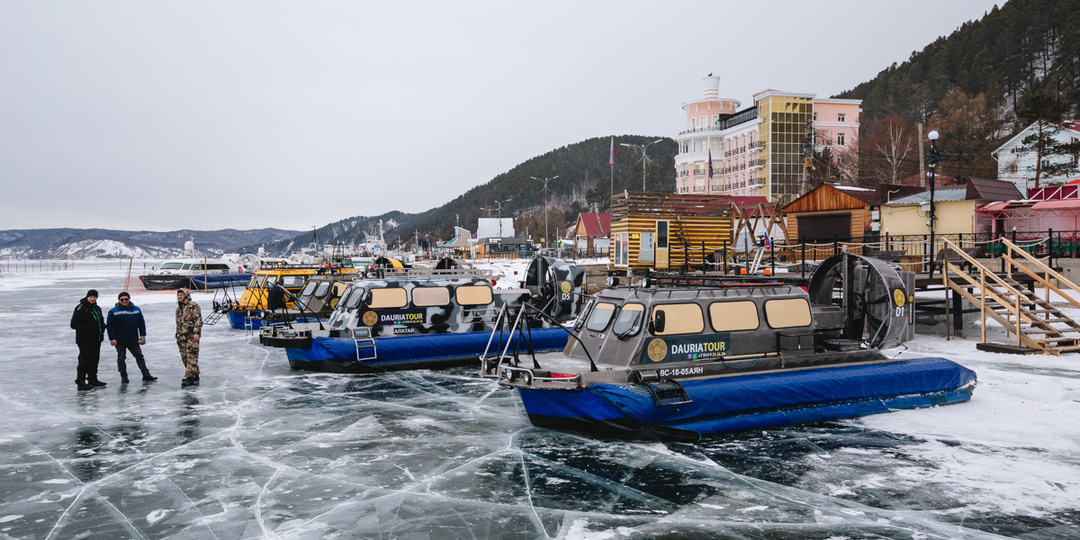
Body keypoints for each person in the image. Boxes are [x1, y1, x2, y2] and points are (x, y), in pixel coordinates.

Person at [106, 292, 157, 383]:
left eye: (126, 299)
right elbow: (110, 326)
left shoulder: (136, 309)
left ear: (129, 299)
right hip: (120, 340)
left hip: (133, 339)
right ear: (119, 300)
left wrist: (142, 335)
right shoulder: (113, 311)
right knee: (121, 358)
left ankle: (146, 375)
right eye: (122, 299)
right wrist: (112, 338)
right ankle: (124, 377)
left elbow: (141, 323)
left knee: (139, 356)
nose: (124, 301)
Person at [69, 289, 106, 390]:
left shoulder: (97, 308)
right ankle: (80, 381)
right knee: (85, 360)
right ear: (87, 297)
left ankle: (92, 378)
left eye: (94, 297)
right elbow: (74, 324)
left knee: (94, 359)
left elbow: (100, 322)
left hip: (96, 339)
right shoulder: (81, 308)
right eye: (91, 297)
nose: (92, 299)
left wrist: (102, 329)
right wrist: (88, 327)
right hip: (85, 340)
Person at [175, 288, 203, 387]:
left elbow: (198, 320)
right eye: (178, 295)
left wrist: (196, 333)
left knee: (192, 356)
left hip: (191, 336)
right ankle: (195, 374)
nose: (180, 297)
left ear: (186, 295)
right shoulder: (179, 310)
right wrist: (177, 335)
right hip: (181, 337)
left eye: (181, 295)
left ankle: (190, 377)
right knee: (185, 357)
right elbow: (178, 324)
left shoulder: (193, 306)